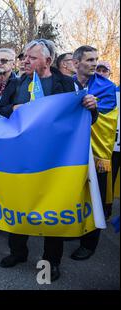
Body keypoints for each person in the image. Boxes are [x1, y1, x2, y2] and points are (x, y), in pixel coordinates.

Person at [0, 39, 98, 282]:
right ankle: (18, 252)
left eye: (31, 58)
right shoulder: (18, 82)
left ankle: (51, 261)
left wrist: (92, 107)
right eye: (25, 57)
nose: (25, 61)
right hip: (22, 158)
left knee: (52, 206)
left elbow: (86, 120)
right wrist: (13, 108)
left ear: (48, 61)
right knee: (18, 204)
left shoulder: (67, 84)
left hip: (55, 159)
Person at [70, 46, 117, 261]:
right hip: (70, 151)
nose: (94, 63)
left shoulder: (106, 87)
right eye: (89, 59)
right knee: (72, 196)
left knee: (94, 197)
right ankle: (72, 230)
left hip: (95, 152)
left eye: (96, 59)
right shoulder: (65, 83)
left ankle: (89, 243)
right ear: (76, 62)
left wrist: (91, 108)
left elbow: (105, 120)